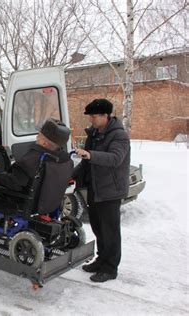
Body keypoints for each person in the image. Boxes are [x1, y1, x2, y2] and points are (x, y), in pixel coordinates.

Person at [73, 98, 130, 283]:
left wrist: (91, 154)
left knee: (110, 230)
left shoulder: (119, 135)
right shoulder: (95, 134)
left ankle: (110, 268)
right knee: (98, 227)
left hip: (110, 190)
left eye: (94, 116)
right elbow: (86, 162)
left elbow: (115, 158)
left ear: (105, 115)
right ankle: (101, 260)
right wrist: (72, 175)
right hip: (95, 188)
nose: (91, 119)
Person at [0, 118, 73, 214]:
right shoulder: (66, 161)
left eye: (39, 135)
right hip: (49, 204)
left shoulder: (33, 159)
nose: (36, 137)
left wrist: (0, 177)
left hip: (26, 204)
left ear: (44, 143)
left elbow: (15, 183)